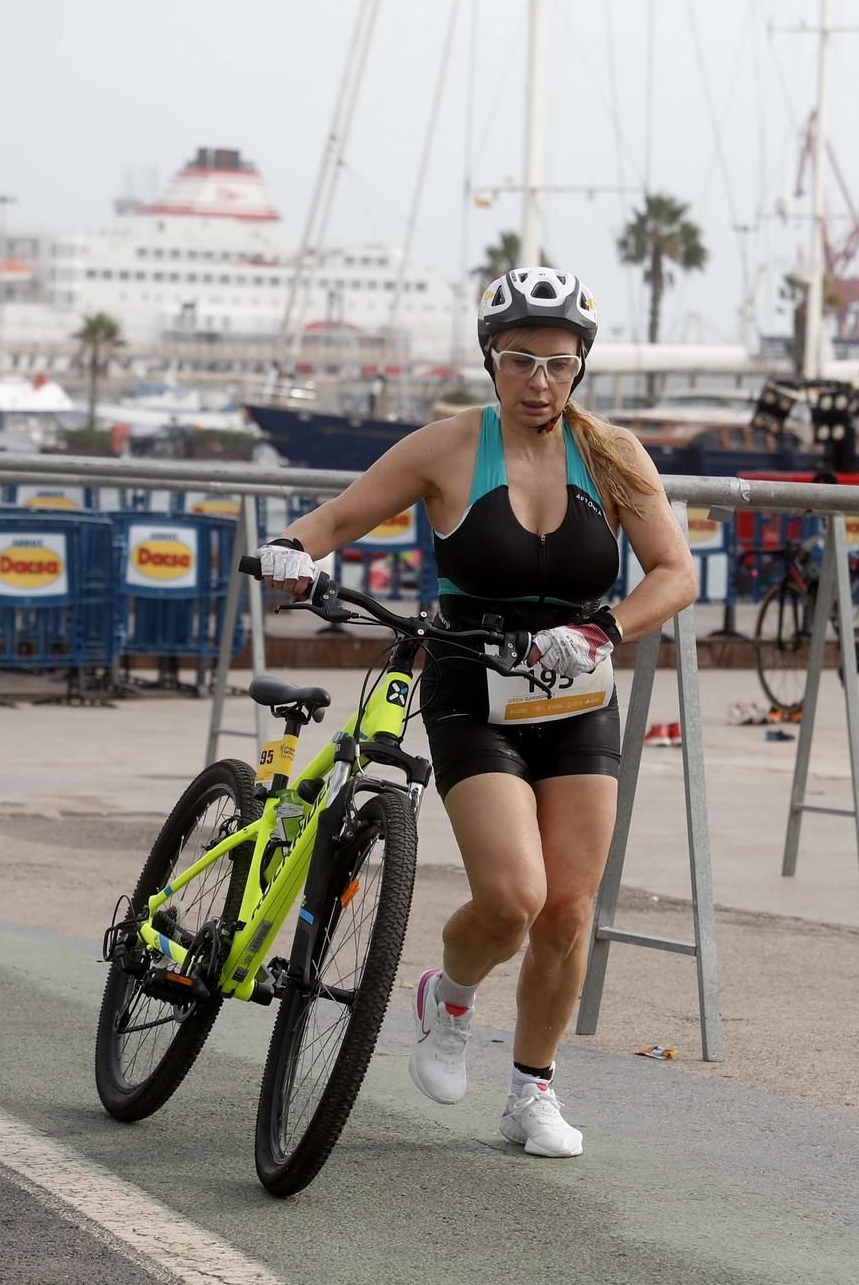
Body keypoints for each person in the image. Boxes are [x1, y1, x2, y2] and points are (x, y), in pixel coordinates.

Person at [258, 267, 698, 1158]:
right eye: (521, 362)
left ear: (582, 368)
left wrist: (603, 629)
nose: (540, 383)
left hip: (576, 690)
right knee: (512, 899)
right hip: (469, 680)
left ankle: (531, 1090)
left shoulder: (613, 453)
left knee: (569, 911)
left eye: (560, 365)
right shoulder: (449, 447)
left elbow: (675, 573)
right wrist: (286, 552)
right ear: (490, 360)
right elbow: (337, 519)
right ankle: (447, 999)